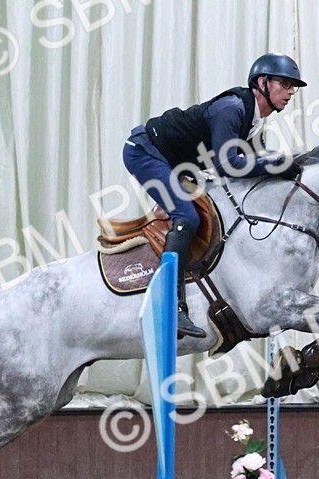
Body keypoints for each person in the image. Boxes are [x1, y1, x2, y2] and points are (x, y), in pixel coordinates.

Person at [123, 53, 307, 338]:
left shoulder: (254, 119)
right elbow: (228, 165)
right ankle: (169, 306)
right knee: (186, 216)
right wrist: (278, 164)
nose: (291, 92)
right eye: (285, 83)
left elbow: (254, 162)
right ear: (262, 82)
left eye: (293, 86)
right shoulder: (232, 108)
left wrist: (289, 161)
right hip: (144, 151)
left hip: (174, 160)